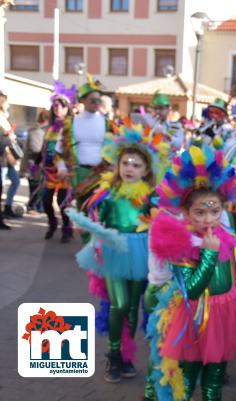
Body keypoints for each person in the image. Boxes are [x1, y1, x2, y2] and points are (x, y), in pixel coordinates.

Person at [146, 145, 236, 401]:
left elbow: (235, 274)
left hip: (225, 315)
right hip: (195, 320)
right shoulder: (182, 243)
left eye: (215, 211)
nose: (208, 219)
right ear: (185, 212)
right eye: (200, 212)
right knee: (186, 381)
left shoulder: (226, 235)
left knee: (214, 384)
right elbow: (192, 290)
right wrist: (208, 256)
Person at [70, 121, 170, 383]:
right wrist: (87, 230)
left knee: (133, 308)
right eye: (126, 162)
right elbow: (94, 220)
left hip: (141, 252)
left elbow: (163, 222)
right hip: (114, 251)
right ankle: (113, 357)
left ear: (147, 170)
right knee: (119, 304)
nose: (129, 168)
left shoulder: (152, 196)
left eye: (136, 165)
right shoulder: (107, 193)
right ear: (117, 164)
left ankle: (126, 357)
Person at [55, 75, 110, 210]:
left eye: (99, 99)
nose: (97, 102)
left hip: (102, 175)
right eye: (93, 99)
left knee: (99, 215)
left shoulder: (108, 124)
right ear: (83, 100)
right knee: (82, 212)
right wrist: (61, 168)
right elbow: (59, 150)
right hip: (79, 175)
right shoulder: (71, 123)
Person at [41, 81, 77, 242]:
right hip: (49, 171)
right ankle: (52, 223)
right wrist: (37, 163)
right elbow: (46, 147)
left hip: (64, 171)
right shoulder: (50, 128)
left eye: (61, 105)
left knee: (63, 204)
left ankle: (67, 229)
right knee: (46, 202)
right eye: (55, 105)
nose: (57, 108)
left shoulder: (73, 126)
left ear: (67, 107)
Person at [23, 109, 49, 212]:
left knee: (36, 184)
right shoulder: (38, 130)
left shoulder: (41, 129)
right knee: (36, 184)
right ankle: (34, 205)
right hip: (35, 162)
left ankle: (35, 205)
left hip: (36, 162)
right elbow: (36, 148)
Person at [0, 91, 12, 229]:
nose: (8, 104)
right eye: (6, 101)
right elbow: (2, 141)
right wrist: (9, 139)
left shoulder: (3, 118)